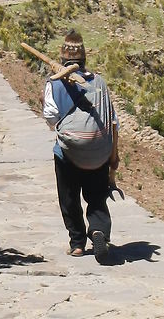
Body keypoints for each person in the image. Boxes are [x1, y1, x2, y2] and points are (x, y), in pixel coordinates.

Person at [42, 30, 119, 261]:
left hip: (68, 152)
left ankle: (77, 243)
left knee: (68, 196)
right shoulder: (99, 82)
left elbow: (51, 118)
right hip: (98, 152)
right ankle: (98, 230)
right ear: (84, 57)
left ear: (62, 58)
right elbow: (112, 121)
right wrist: (113, 156)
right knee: (96, 195)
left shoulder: (53, 84)